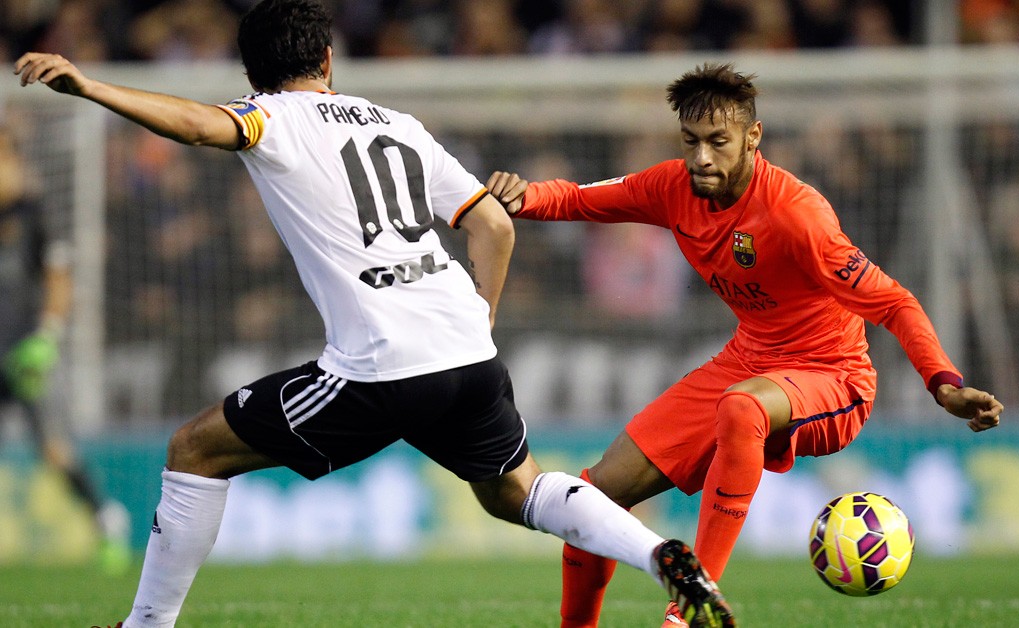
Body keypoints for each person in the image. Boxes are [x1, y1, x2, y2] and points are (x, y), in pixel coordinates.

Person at [12, 2, 736, 627]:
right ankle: (661, 554)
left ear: (250, 76)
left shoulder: (273, 116)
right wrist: (478, 319)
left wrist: (92, 85)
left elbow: (200, 128)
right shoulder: (399, 123)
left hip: (381, 362)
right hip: (466, 350)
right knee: (517, 490)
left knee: (194, 449)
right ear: (329, 57)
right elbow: (494, 226)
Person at [486, 62, 1005, 628]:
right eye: (691, 142)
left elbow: (894, 302)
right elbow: (584, 199)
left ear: (752, 138)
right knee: (591, 498)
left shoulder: (796, 215)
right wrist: (520, 196)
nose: (702, 157)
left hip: (832, 376)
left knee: (743, 406)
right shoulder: (672, 188)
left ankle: (688, 612)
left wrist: (944, 383)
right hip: (749, 359)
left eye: (718, 142)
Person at [0, 124, 132, 574]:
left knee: (53, 448)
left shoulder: (33, 214)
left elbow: (58, 278)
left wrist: (47, 337)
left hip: (24, 354)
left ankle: (104, 519)